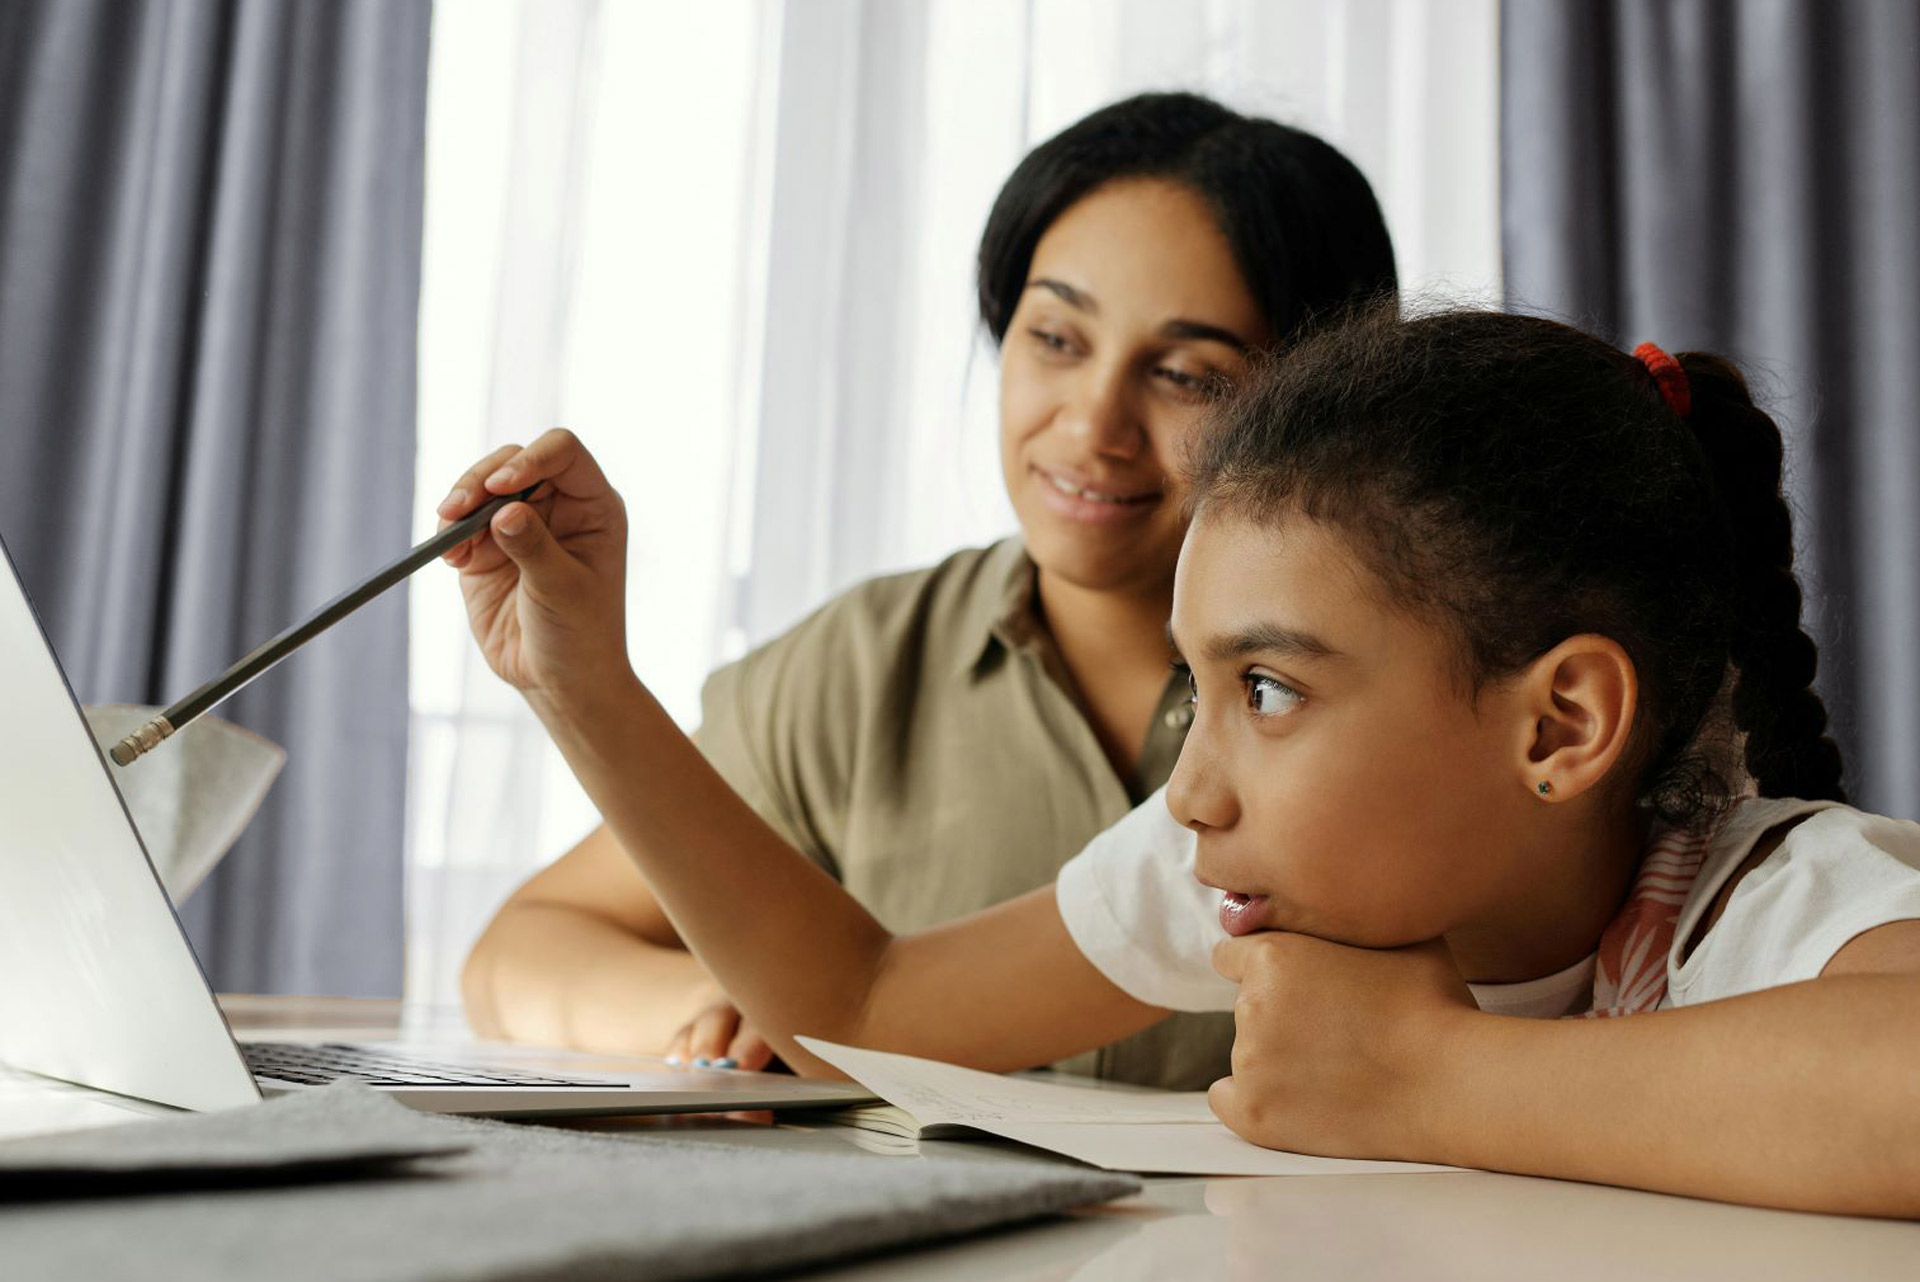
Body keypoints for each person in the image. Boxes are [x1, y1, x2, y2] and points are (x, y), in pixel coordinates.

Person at [438, 306, 1920, 1216]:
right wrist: (587, 689)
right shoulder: (1232, 874)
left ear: (1559, 727)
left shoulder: (1760, 894)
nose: (1195, 786)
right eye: (1197, 687)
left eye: (1267, 688)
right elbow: (863, 1010)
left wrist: (1432, 1074)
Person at [457, 91, 1397, 1090]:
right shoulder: (863, 666)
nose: (1092, 427)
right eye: (1057, 339)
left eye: (1185, 374)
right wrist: (720, 1006)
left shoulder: (1384, 706)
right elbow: (525, 952)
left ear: (1317, 405)